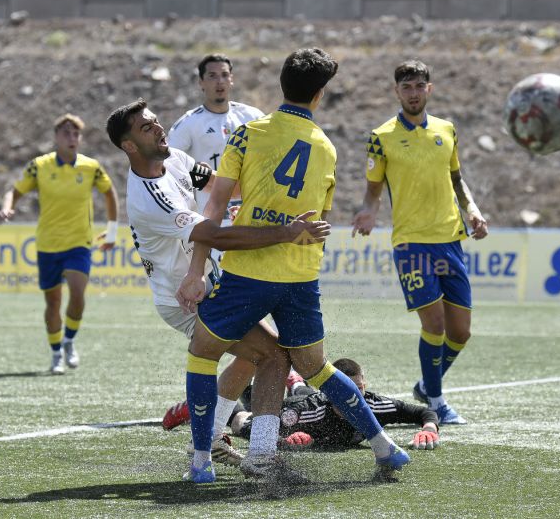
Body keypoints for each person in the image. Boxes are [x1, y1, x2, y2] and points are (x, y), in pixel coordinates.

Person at [177, 48, 411, 484]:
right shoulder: (326, 148)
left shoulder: (248, 133)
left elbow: (213, 207)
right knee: (315, 367)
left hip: (249, 272)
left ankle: (200, 460)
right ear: (320, 95)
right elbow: (317, 222)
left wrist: (197, 269)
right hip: (301, 275)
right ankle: (382, 446)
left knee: (203, 354)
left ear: (281, 84)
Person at [105, 98, 330, 481]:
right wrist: (287, 232)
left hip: (208, 284)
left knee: (252, 358)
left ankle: (208, 439)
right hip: (185, 299)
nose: (159, 128)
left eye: (156, 121)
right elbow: (216, 236)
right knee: (274, 355)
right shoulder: (150, 198)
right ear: (128, 146)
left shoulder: (174, 158)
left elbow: (220, 184)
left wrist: (272, 191)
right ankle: (252, 455)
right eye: (146, 128)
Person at [352, 60, 489, 425]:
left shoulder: (447, 130)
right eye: (406, 87)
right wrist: (367, 213)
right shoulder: (381, 137)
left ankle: (427, 385)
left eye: (419, 86)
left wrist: (472, 211)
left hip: (450, 240)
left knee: (461, 332)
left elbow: (457, 180)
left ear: (429, 89)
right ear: (397, 92)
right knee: (434, 324)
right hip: (412, 244)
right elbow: (373, 193)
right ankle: (438, 402)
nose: (413, 93)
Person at [0, 114, 119, 375]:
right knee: (53, 303)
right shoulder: (39, 166)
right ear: (56, 137)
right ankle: (55, 353)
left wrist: (111, 230)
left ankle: (69, 340)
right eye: (66, 133)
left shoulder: (91, 167)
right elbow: (15, 191)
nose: (72, 138)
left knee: (77, 292)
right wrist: (7, 208)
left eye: (76, 134)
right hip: (48, 245)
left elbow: (109, 192)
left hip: (79, 243)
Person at [162, 359, 441, 451]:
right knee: (242, 418)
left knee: (302, 390)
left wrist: (430, 427)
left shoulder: (372, 404)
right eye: (345, 391)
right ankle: (203, 405)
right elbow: (256, 430)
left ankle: (294, 379)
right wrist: (285, 440)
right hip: (289, 405)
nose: (352, 398)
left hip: (306, 395)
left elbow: (420, 411)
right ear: (333, 391)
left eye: (358, 390)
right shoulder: (307, 413)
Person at [167, 53, 265, 262]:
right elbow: (167, 165)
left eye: (224, 75)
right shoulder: (188, 124)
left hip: (250, 217)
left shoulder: (254, 118)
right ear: (201, 82)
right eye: (212, 76)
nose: (219, 81)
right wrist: (191, 174)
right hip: (210, 221)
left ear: (232, 79)